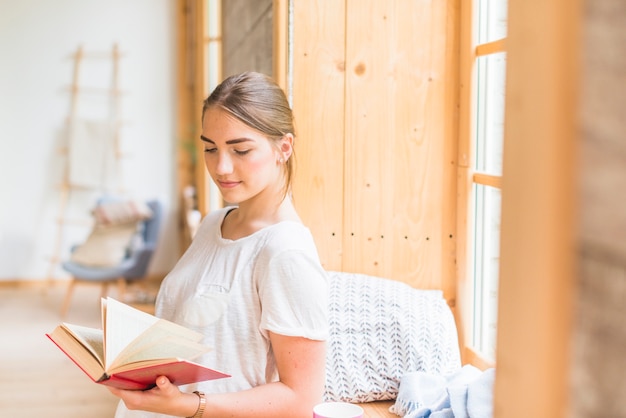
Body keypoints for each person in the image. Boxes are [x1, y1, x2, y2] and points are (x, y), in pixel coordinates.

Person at [109, 71, 329, 418]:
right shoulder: (214, 223)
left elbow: (301, 399)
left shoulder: (285, 252)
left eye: (240, 150)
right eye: (210, 148)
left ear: (283, 148)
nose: (221, 167)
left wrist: (189, 405)